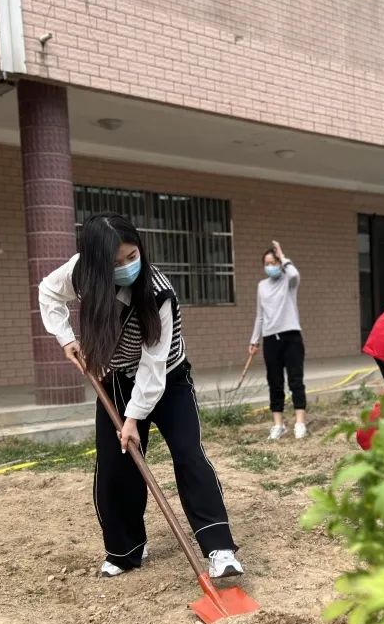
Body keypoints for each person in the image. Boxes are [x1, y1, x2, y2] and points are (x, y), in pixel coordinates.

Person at [38, 213, 243, 579]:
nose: (127, 267)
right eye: (116, 263)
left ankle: (219, 549)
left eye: (132, 256)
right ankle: (126, 550)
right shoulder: (79, 272)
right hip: (115, 377)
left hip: (168, 377)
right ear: (97, 264)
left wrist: (133, 419)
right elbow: (48, 292)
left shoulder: (158, 290)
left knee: (188, 453)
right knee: (115, 465)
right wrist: (66, 337)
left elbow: (153, 365)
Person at [249, 240, 306, 441]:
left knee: (295, 380)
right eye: (267, 263)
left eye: (273, 262)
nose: (270, 266)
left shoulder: (288, 282)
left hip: (291, 337)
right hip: (271, 339)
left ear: (280, 263)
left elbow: (295, 274)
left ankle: (300, 422)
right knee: (275, 382)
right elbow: (260, 316)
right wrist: (255, 340)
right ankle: (278, 424)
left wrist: (283, 255)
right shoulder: (262, 286)